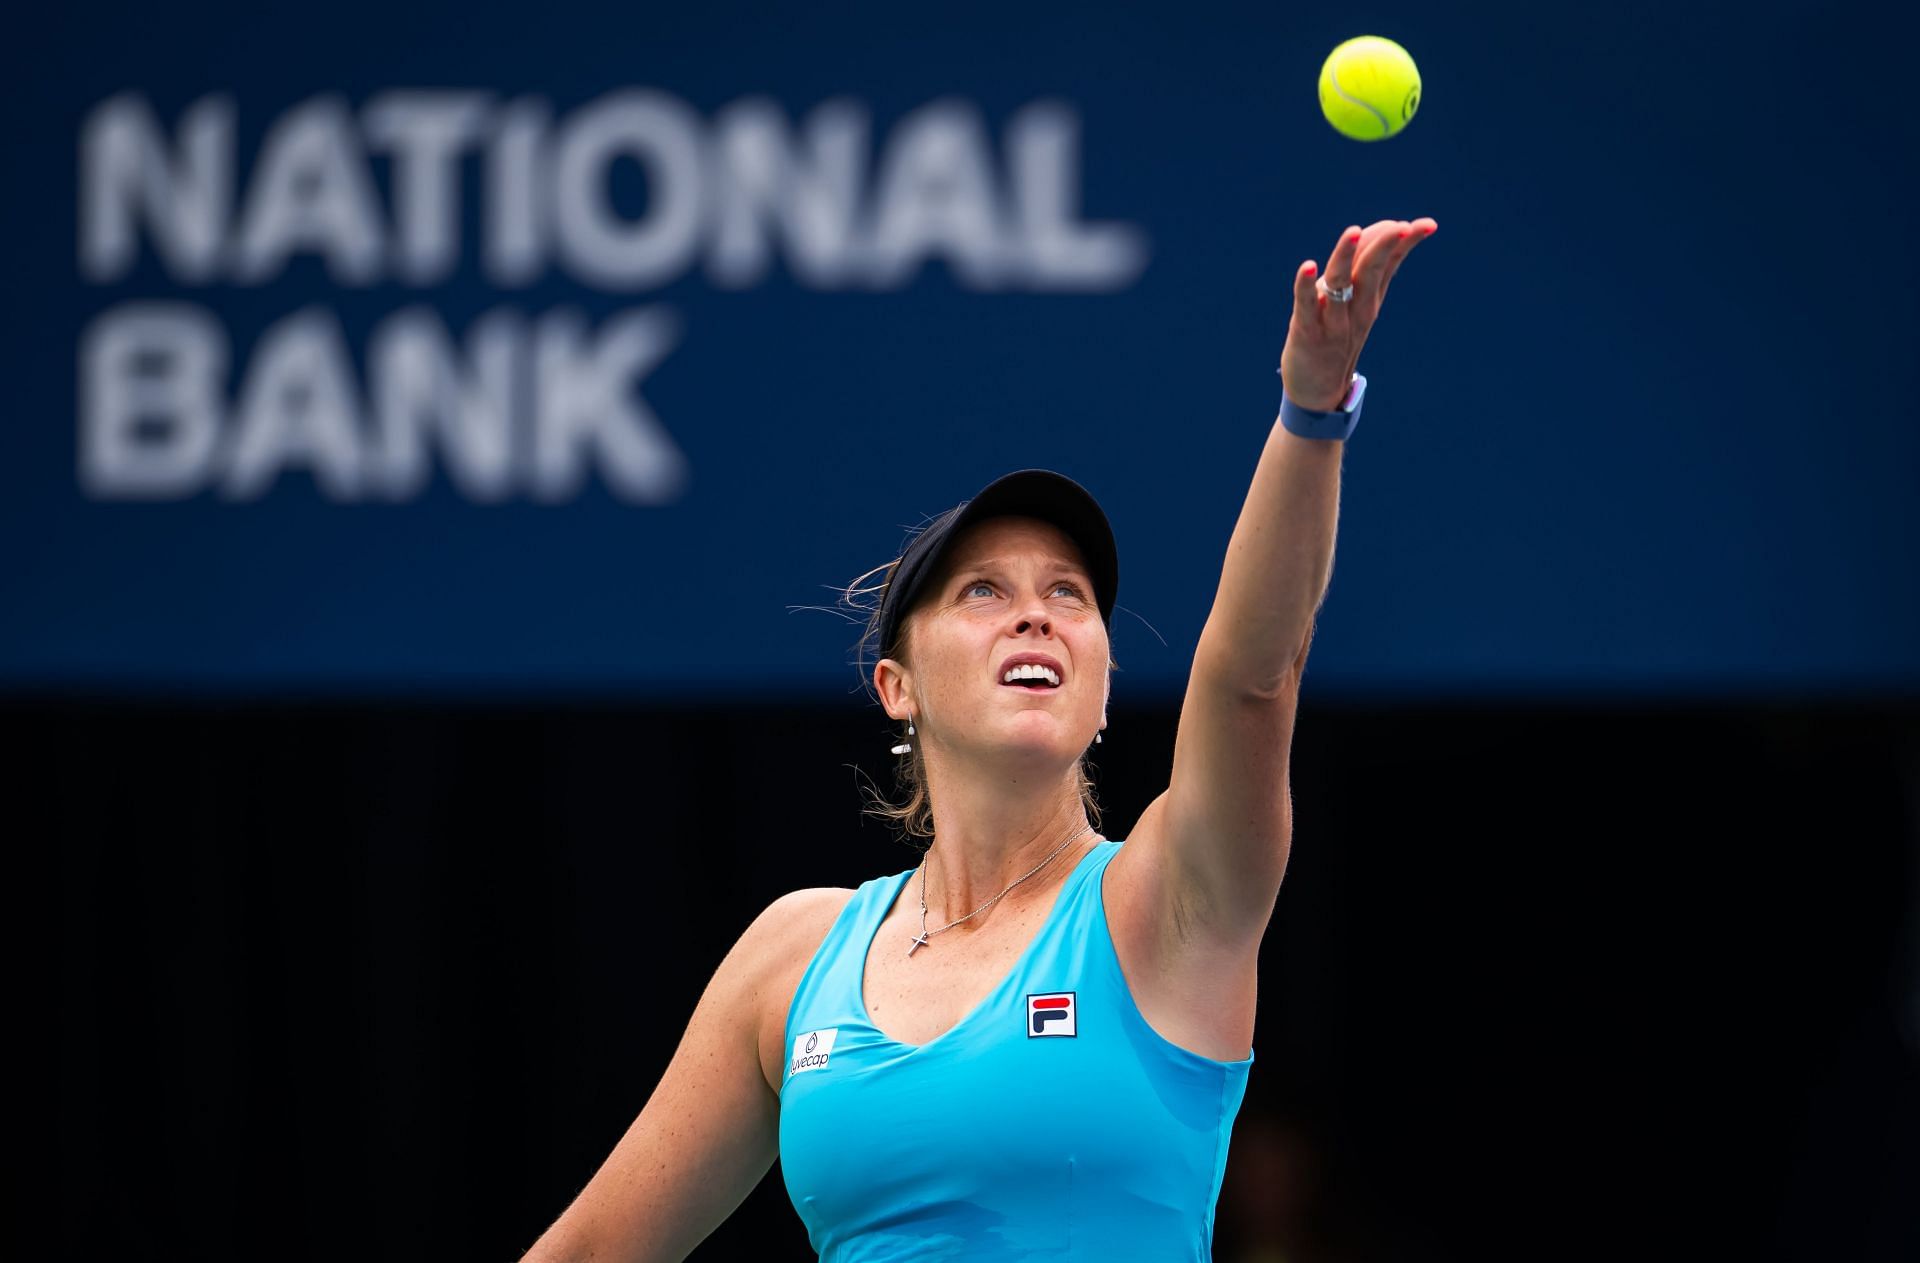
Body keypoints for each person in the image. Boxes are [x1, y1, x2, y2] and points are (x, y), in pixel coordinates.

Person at [519, 216, 1437, 1262]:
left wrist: (1310, 412)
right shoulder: (792, 957)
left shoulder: (1165, 902)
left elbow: (1252, 680)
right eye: (983, 592)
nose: (1035, 613)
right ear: (895, 685)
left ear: (1101, 692)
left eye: (1068, 595)